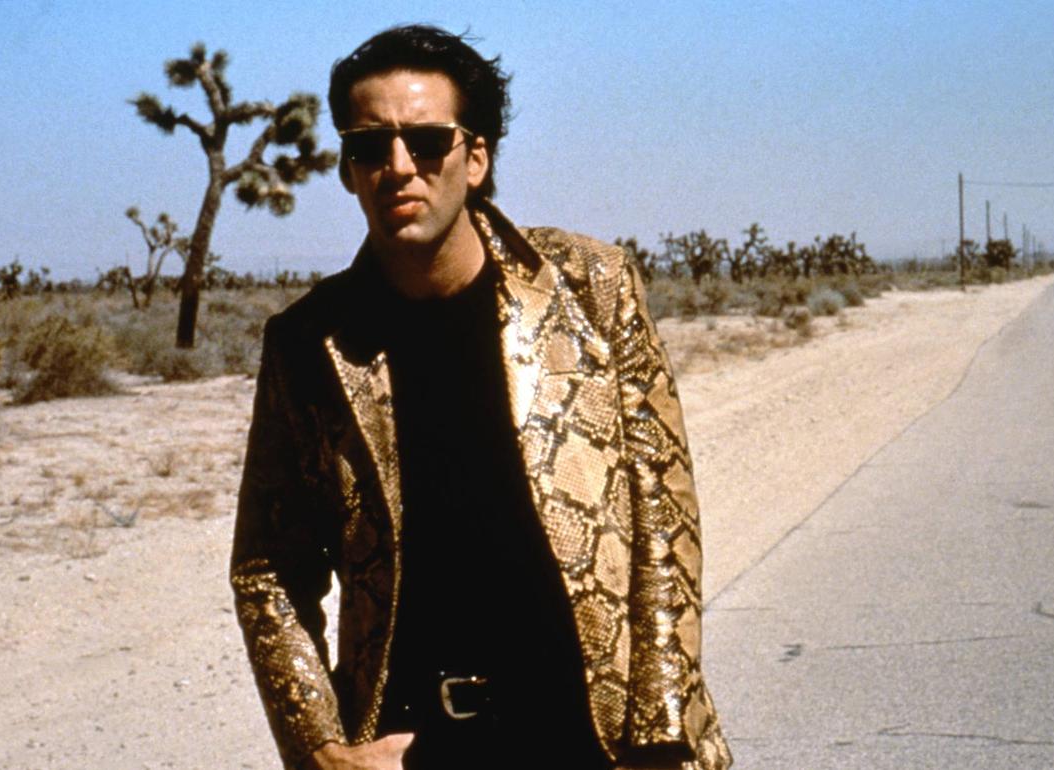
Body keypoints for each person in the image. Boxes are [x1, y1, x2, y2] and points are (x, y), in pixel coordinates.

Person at [230, 24, 731, 770]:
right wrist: (321, 751)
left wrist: (660, 733)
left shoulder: (590, 288)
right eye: (370, 146)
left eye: (428, 141)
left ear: (476, 157)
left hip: (593, 738)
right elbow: (269, 567)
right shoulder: (309, 345)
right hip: (410, 741)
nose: (399, 167)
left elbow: (661, 515)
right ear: (346, 168)